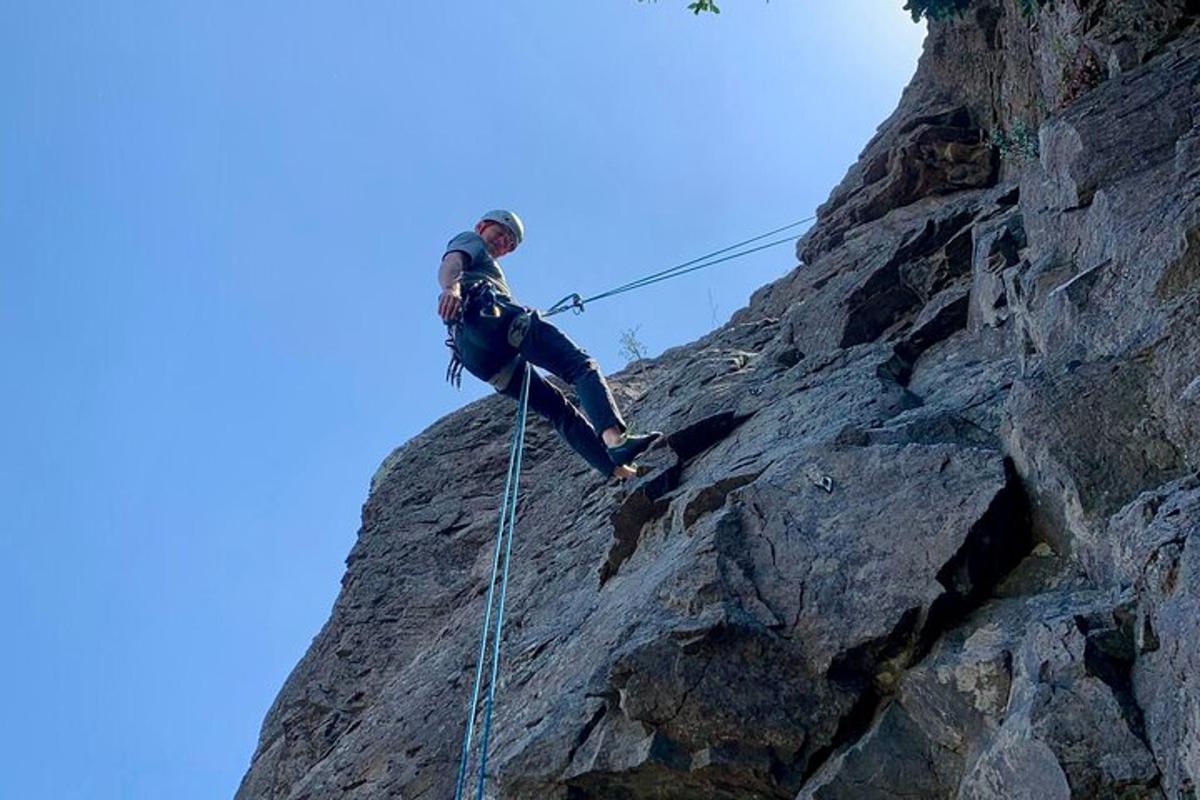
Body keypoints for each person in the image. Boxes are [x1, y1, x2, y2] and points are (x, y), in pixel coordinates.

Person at [438, 210, 661, 480]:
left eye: (509, 243)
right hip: (494, 321)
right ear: (482, 226)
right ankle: (616, 441)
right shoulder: (471, 242)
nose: (502, 243)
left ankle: (619, 473)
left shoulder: (488, 271)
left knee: (558, 410)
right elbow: (452, 261)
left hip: (481, 358)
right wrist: (450, 288)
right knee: (580, 366)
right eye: (500, 234)